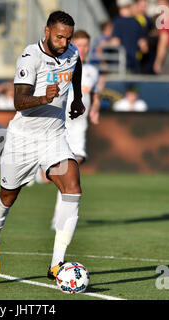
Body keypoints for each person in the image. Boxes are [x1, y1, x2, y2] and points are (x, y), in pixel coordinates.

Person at [0, 11, 86, 281]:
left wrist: (77, 99)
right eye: (59, 36)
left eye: (68, 37)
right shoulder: (31, 56)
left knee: (72, 188)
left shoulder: (72, 53)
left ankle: (57, 265)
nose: (64, 43)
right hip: (23, 139)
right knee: (8, 196)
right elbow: (18, 101)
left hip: (54, 137)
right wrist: (43, 98)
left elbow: (76, 68)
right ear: (47, 31)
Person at [49, 29, 101, 230]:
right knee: (54, 176)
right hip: (59, 127)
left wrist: (95, 110)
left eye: (87, 46)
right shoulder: (60, 67)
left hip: (79, 129)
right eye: (80, 45)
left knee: (69, 173)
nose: (84, 50)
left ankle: (59, 219)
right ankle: (37, 174)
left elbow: (94, 96)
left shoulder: (92, 72)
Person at [110, 0, 149, 74]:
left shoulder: (117, 22)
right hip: (134, 63)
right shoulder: (137, 22)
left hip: (119, 64)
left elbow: (115, 42)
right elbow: (144, 47)